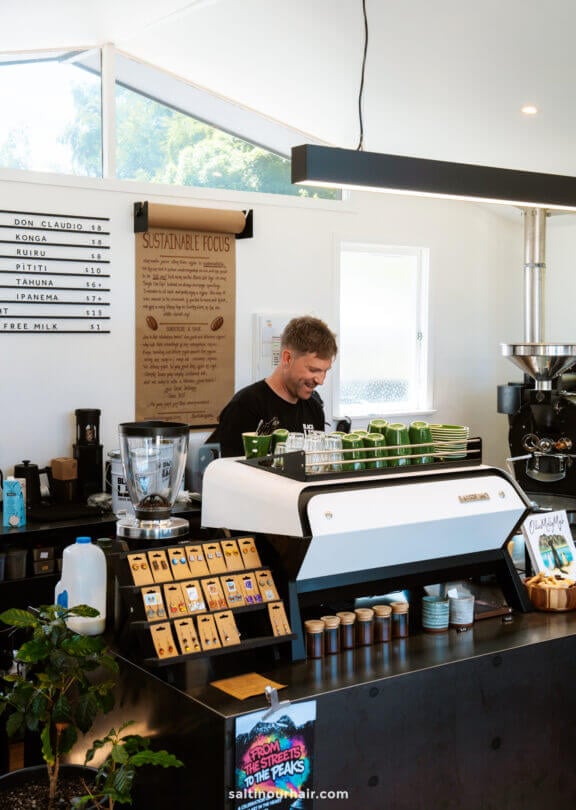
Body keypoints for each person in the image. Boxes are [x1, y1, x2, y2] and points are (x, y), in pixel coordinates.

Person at [208, 316, 338, 457]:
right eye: (313, 370)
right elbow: (229, 473)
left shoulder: (314, 408)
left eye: (325, 371)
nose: (320, 380)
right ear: (287, 358)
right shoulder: (246, 406)